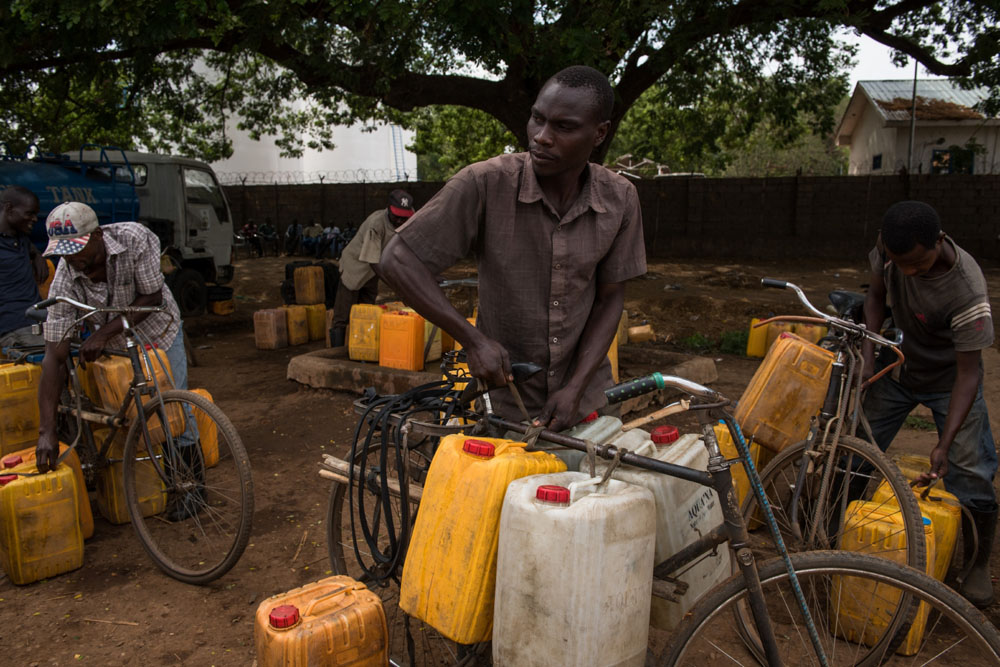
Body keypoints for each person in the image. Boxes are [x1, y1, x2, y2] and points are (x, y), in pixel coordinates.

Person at [378, 65, 645, 432]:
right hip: (506, 402)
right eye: (537, 119)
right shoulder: (485, 183)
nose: (541, 137)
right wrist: (472, 340)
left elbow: (610, 298)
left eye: (563, 127)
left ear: (599, 133)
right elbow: (397, 260)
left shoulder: (621, 199)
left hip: (585, 402)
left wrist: (575, 388)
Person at [862, 200, 998, 608]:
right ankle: (836, 532)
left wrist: (945, 442)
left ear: (938, 242)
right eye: (899, 263)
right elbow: (874, 296)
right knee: (858, 443)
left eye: (917, 264)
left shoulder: (967, 290)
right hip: (901, 367)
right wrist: (869, 355)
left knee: (970, 467)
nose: (908, 272)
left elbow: (969, 374)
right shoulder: (890, 249)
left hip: (949, 379)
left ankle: (975, 564)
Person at [35, 202, 200, 517]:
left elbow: (151, 296)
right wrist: (46, 431)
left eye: (78, 250)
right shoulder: (66, 278)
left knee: (174, 407)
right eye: (65, 253)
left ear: (97, 235)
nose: (73, 260)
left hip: (157, 331)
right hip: (117, 347)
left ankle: (193, 487)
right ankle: (145, 479)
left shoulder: (134, 239)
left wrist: (103, 334)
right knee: (134, 416)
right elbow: (53, 357)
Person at [329, 190, 415, 347]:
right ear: (388, 209)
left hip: (372, 272)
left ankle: (363, 347)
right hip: (355, 267)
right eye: (397, 216)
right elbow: (373, 261)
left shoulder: (408, 220)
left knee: (367, 311)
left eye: (404, 217)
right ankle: (336, 353)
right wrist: (397, 285)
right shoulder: (376, 224)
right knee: (344, 312)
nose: (400, 220)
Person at [0, 185, 47, 349]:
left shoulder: (19, 238)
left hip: (39, 323)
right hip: (16, 328)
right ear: (9, 208)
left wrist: (37, 254)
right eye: (29, 213)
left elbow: (27, 246)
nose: (35, 219)